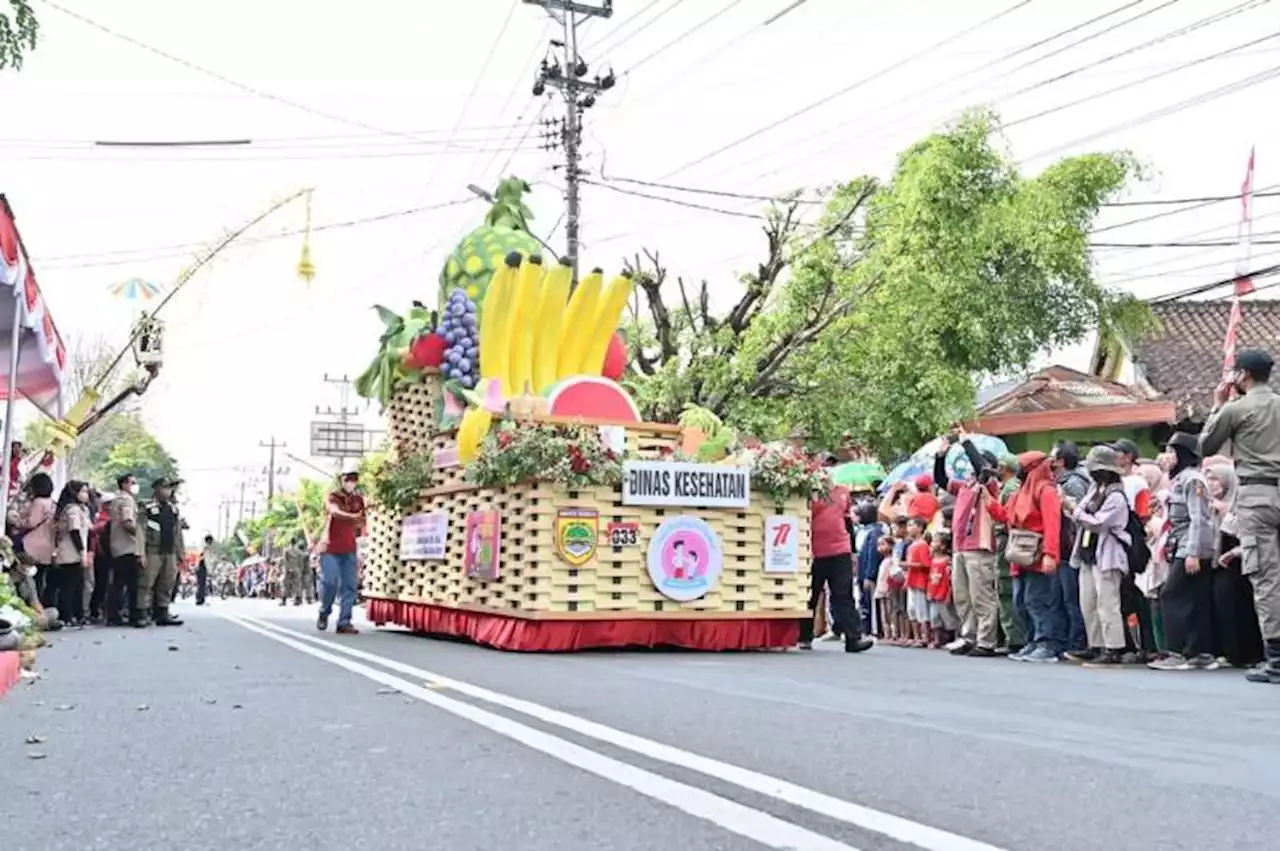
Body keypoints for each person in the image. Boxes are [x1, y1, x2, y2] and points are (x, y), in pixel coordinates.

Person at [1199, 347, 1280, 684]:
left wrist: (1218, 404)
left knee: (1266, 575)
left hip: (1257, 494)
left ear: (1242, 375)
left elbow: (1206, 446)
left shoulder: (1236, 408)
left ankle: (1276, 657)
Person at [1149, 433, 1218, 671]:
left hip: (1191, 545)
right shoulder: (1180, 480)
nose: (1167, 457)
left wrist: (1193, 553)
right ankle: (1199, 651)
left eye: (1172, 452)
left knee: (1172, 595)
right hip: (1183, 544)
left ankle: (1176, 651)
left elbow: (1199, 519)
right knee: (1195, 599)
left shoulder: (1193, 480)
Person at [933, 431, 1001, 657]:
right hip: (960, 547)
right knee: (963, 596)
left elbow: (982, 467)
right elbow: (941, 481)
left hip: (979, 547)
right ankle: (969, 635)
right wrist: (940, 456)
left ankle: (986, 640)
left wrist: (965, 442)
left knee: (981, 595)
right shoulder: (965, 486)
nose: (972, 469)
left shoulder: (989, 486)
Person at [992, 452, 1064, 663]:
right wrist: (989, 500)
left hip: (1037, 554)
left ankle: (1047, 643)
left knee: (1038, 600)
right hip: (1021, 554)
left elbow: (1052, 525)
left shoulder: (1045, 491)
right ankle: (1033, 640)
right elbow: (1007, 516)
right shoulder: (1021, 492)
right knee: (1021, 601)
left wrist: (1051, 555)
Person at [1062, 446, 1130, 667]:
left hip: (1108, 555)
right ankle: (1096, 644)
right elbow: (1080, 514)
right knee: (1088, 602)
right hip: (1088, 553)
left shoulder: (1117, 495)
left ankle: (1113, 648)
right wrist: (1074, 510)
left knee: (1107, 603)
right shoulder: (1094, 489)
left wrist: (1075, 509)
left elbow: (1099, 522)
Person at [799, 455, 873, 653]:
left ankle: (853, 637)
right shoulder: (808, 493)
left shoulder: (842, 492)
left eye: (829, 467)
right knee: (810, 595)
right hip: (813, 551)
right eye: (823, 467)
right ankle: (804, 636)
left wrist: (853, 552)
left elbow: (847, 521)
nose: (826, 471)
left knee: (843, 594)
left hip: (840, 549)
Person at [1205, 463, 1265, 668]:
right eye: (1209, 479)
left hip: (1240, 566)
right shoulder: (1211, 505)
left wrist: (1225, 513)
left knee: (1240, 610)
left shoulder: (1238, 505)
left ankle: (1249, 654)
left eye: (1215, 479)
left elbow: (1249, 534)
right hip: (1220, 566)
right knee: (1223, 609)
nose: (1211, 484)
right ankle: (1230, 652)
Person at [1050, 441, 1091, 655]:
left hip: (1070, 547)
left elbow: (1077, 518)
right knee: (1063, 598)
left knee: (1071, 599)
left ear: (1062, 461)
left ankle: (1077, 642)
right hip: (1063, 548)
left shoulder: (1072, 483)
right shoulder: (1062, 482)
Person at [318, 466, 367, 634]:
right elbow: (335, 512)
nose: (350, 482)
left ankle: (344, 621)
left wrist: (359, 522)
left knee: (350, 586)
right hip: (330, 547)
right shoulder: (333, 497)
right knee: (330, 583)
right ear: (341, 480)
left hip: (349, 548)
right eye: (347, 478)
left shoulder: (358, 500)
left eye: (354, 478)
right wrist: (353, 517)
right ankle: (324, 612)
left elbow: (362, 522)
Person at [137, 477, 185, 627]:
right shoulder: (148, 508)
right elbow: (140, 531)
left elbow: (178, 533)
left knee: (167, 582)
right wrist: (141, 553)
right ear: (156, 489)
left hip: (169, 551)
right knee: (147, 583)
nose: (168, 491)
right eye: (165, 488)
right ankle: (142, 614)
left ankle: (163, 613)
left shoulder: (173, 509)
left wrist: (180, 552)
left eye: (170, 488)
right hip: (152, 550)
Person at [52, 480, 92, 626]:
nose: (86, 495)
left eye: (87, 491)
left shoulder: (81, 509)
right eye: (82, 491)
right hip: (70, 553)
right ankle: (67, 616)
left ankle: (76, 615)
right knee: (70, 586)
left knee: (76, 585)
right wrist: (82, 552)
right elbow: (74, 531)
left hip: (74, 552)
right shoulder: (72, 509)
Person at [108, 473, 144, 627]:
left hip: (117, 546)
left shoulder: (116, 500)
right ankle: (134, 616)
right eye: (132, 482)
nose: (135, 485)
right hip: (128, 546)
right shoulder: (127, 500)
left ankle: (114, 615)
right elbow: (127, 522)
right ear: (123, 484)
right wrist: (142, 535)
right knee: (132, 584)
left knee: (118, 582)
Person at [18, 472, 56, 606]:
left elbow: (32, 522)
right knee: (41, 577)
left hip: (32, 544)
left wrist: (19, 522)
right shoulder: (53, 504)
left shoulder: (38, 503)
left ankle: (30, 604)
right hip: (48, 545)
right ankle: (39, 605)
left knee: (29, 577)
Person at [903, 518, 932, 647]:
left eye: (911, 525)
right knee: (912, 609)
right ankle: (916, 636)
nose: (908, 528)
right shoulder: (911, 545)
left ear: (920, 528)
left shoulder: (923, 545)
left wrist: (909, 565)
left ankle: (925, 636)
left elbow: (926, 564)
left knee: (922, 610)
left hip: (920, 580)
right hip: (912, 581)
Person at [927, 530, 957, 648]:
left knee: (948, 617)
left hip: (943, 593)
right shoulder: (933, 560)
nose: (932, 544)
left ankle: (952, 637)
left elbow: (949, 579)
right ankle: (937, 638)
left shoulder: (947, 561)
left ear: (943, 545)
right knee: (934, 617)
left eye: (935, 542)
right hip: (933, 593)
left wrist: (949, 593)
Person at [88, 494, 114, 623]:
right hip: (101, 554)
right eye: (109, 503)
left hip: (112, 553)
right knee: (101, 583)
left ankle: (106, 610)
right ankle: (95, 610)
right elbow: (94, 531)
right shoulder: (100, 517)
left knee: (110, 583)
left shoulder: (114, 517)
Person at [283, 537, 309, 606]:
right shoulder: (298, 551)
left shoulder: (286, 550)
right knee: (297, 585)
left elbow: (285, 561)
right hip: (297, 569)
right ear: (296, 542)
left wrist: (287, 569)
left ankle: (283, 600)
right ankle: (297, 600)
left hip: (288, 569)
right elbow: (303, 556)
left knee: (286, 585)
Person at [196, 534, 216, 606]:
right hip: (201, 567)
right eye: (211, 541)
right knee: (201, 584)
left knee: (202, 584)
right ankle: (199, 599)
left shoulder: (204, 548)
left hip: (202, 567)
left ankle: (200, 599)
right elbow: (204, 559)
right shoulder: (204, 549)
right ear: (208, 541)